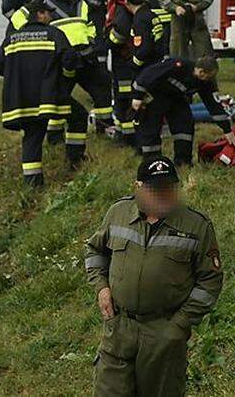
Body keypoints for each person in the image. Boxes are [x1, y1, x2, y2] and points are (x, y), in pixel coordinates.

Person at [85, 156, 223, 397]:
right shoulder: (118, 213)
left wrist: (179, 324)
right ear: (137, 187)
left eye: (169, 188)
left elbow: (210, 281)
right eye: (154, 189)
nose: (163, 194)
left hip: (163, 334)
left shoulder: (196, 226)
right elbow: (95, 250)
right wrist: (101, 287)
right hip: (119, 327)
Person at [10, 0, 115, 135]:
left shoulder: (79, 2)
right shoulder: (41, 2)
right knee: (59, 97)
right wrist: (34, 34)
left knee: (102, 88)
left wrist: (91, 43)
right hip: (60, 58)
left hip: (84, 56)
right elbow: (17, 18)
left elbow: (89, 26)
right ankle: (55, 136)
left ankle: (106, 129)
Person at [0, 0, 78, 187]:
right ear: (39, 14)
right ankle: (74, 161)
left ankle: (33, 183)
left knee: (32, 136)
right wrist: (65, 80)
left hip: (21, 100)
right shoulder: (53, 34)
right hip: (47, 99)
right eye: (47, 13)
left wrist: (15, 76)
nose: (50, 16)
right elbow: (70, 59)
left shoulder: (12, 37)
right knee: (78, 116)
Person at [132, 56, 235, 166]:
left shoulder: (205, 82)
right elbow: (147, 75)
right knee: (151, 128)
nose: (210, 80)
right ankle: (152, 162)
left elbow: (214, 105)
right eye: (209, 76)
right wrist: (137, 96)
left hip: (176, 98)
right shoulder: (178, 65)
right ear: (201, 72)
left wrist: (227, 130)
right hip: (154, 96)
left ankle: (183, 161)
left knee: (184, 125)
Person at [105, 0, 138, 145]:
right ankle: (128, 132)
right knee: (127, 96)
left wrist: (108, 41)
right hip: (130, 58)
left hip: (122, 58)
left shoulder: (120, 5)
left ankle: (127, 136)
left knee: (123, 98)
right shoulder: (133, 0)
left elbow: (120, 32)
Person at [128, 0, 169, 70]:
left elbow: (144, 48)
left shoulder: (140, 20)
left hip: (147, 65)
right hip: (157, 60)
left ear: (127, 2)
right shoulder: (150, 14)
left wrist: (134, 64)